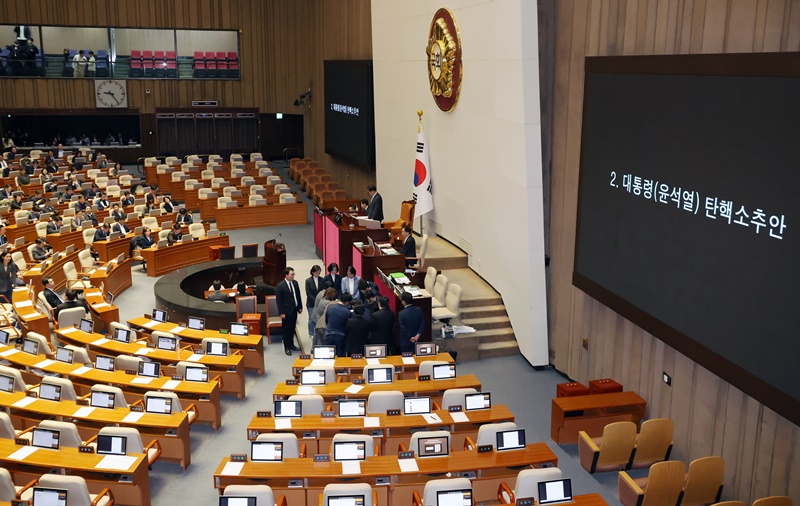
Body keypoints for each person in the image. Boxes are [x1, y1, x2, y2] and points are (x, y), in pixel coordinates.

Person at [275, 267, 303, 355]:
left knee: (292, 328)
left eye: (293, 274)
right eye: (291, 274)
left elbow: (298, 295)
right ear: (286, 275)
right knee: (286, 330)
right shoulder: (280, 286)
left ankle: (291, 344)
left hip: (294, 309)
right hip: (286, 312)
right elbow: (279, 301)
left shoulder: (295, 283)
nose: (293, 276)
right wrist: (281, 312)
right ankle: (287, 347)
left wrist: (300, 306)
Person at [324, 293, 352, 357]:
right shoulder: (347, 312)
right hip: (340, 336)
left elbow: (326, 320)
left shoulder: (330, 307)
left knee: (328, 356)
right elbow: (347, 326)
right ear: (347, 302)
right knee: (340, 357)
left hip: (328, 334)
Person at [305, 265, 323, 337]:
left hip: (320, 303)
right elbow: (308, 293)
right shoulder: (308, 281)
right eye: (316, 272)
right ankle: (311, 333)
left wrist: (319, 300)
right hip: (311, 303)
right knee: (311, 318)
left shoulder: (322, 279)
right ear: (313, 272)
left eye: (319, 272)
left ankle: (318, 332)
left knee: (319, 318)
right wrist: (315, 300)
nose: (318, 274)